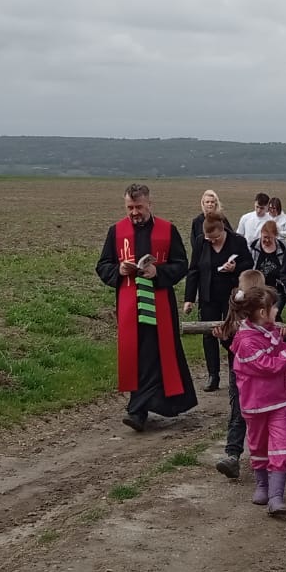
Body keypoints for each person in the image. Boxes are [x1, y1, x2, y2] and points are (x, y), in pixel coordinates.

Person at [94, 183, 198, 435]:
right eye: (130, 207)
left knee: (156, 354)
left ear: (149, 204)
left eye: (138, 207)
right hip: (130, 306)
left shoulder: (167, 230)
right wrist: (119, 269)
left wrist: (157, 271)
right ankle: (139, 409)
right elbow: (103, 265)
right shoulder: (116, 231)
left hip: (160, 305)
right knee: (137, 355)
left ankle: (138, 410)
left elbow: (181, 264)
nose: (134, 212)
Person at [227, 282, 286, 516]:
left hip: (278, 403)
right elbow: (268, 366)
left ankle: (276, 497)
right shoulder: (246, 342)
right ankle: (262, 485)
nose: (277, 310)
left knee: (280, 448)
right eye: (274, 307)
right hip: (255, 405)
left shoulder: (271, 331)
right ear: (262, 312)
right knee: (258, 446)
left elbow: (278, 350)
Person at [185, 212, 251, 394]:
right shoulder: (200, 242)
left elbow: (249, 263)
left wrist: (236, 268)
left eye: (215, 238)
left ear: (222, 231)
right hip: (208, 296)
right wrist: (189, 299)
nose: (212, 241)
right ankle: (212, 375)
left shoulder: (238, 241)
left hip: (232, 297)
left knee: (232, 332)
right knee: (209, 334)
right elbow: (194, 270)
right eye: (209, 238)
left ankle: (235, 372)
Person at [251, 220, 286, 296]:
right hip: (257, 290)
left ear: (275, 236)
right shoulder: (253, 247)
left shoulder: (283, 248)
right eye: (265, 237)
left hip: (277, 291)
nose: (267, 240)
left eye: (270, 238)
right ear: (261, 233)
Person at [189, 188, 223, 258]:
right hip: (203, 257)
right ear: (203, 204)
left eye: (212, 202)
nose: (210, 204)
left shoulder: (222, 219)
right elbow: (194, 242)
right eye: (207, 202)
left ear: (216, 204)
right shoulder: (197, 221)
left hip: (220, 256)